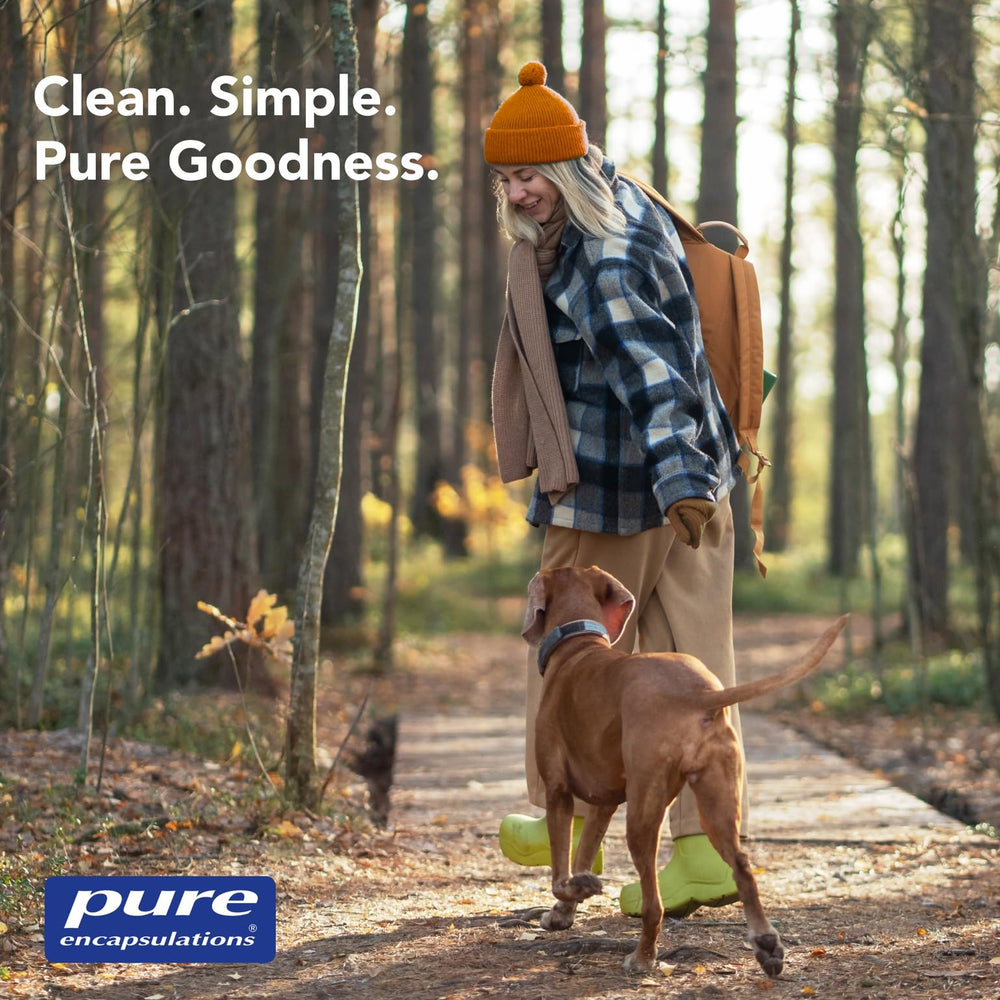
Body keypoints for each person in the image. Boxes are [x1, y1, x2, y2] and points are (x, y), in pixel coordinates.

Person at [484, 61, 750, 919]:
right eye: (506, 179)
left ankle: (551, 802)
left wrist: (675, 479)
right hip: (700, 473)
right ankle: (708, 852)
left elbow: (650, 371)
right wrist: (694, 484)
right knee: (694, 665)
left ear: (564, 168)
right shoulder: (624, 197)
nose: (519, 195)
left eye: (529, 176)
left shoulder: (596, 257)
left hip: (617, 484)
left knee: (563, 638)